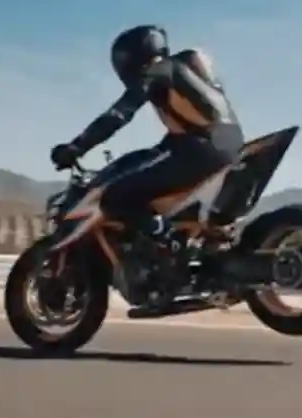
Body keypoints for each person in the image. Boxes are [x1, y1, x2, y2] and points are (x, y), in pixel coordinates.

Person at [49, 24, 245, 250]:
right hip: (230, 145)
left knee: (114, 196)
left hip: (200, 150)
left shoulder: (156, 72)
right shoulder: (186, 69)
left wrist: (76, 147)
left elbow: (118, 115)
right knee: (141, 163)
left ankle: (164, 240)